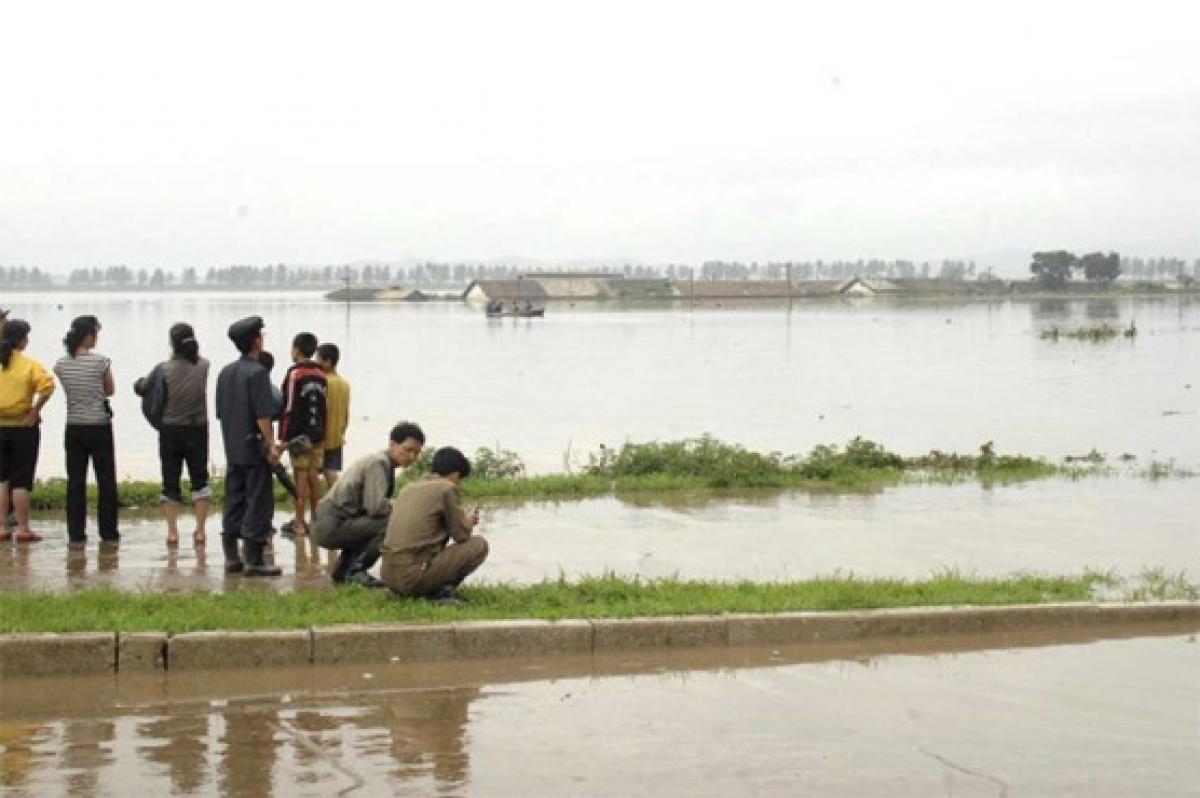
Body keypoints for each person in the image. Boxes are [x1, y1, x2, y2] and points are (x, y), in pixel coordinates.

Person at [313, 421, 424, 587]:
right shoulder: (379, 463)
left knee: (375, 522)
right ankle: (356, 571)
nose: (412, 457)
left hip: (328, 522)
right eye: (408, 450)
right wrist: (401, 506)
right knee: (389, 522)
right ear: (392, 445)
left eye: (417, 452)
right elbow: (376, 507)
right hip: (330, 525)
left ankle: (343, 571)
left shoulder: (382, 462)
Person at [215, 316, 282, 576]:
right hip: (254, 448)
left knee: (234, 498)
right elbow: (263, 415)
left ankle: (232, 557)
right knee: (258, 500)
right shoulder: (258, 373)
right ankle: (254, 559)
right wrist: (271, 445)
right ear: (257, 341)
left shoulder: (225, 372)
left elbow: (221, 412)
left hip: (232, 445)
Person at [381, 446, 488, 604]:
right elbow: (462, 536)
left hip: (388, 576)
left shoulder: (408, 488)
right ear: (455, 475)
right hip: (411, 578)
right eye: (459, 480)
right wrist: (468, 521)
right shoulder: (446, 488)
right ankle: (438, 592)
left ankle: (429, 588)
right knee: (479, 545)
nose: (458, 484)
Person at [136, 323, 211, 547]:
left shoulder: (163, 369)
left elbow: (143, 388)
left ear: (172, 343)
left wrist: (138, 383)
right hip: (198, 428)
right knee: (200, 479)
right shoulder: (205, 365)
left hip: (170, 429)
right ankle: (199, 531)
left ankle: (172, 532)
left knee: (170, 481)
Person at [53, 316, 119, 544]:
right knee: (106, 480)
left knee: (75, 481)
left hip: (74, 426)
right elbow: (110, 390)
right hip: (99, 425)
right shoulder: (101, 362)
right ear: (88, 336)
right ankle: (109, 532)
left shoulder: (61, 365)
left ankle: (76, 533)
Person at [0, 320, 55, 543]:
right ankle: (23, 529)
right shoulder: (29, 365)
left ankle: (2, 527)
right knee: (21, 481)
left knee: (1, 480)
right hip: (23, 427)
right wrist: (35, 410)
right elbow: (48, 386)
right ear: (22, 339)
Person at [278, 332, 327, 537]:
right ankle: (317, 520)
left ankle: (298, 522)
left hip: (299, 437)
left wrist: (283, 439)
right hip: (317, 434)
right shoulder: (321, 376)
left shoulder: (295, 375)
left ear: (296, 350)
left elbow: (289, 407)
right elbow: (325, 407)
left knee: (300, 478)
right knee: (314, 476)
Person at [315, 342, 350, 489]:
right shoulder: (344, 383)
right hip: (337, 435)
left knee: (316, 473)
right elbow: (346, 412)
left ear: (328, 362)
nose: (316, 362)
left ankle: (322, 506)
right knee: (332, 473)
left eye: (318, 358)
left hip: (322, 436)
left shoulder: (322, 382)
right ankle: (338, 503)